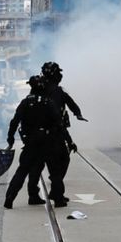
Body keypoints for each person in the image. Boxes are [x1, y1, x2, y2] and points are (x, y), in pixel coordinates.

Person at [4, 75, 69, 209]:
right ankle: (58, 200)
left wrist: (10, 138)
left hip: (30, 143)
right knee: (55, 172)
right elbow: (59, 124)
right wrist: (68, 140)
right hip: (48, 142)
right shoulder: (48, 102)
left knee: (22, 171)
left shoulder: (25, 102)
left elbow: (14, 122)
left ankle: (10, 197)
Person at [27, 62, 83, 202]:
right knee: (61, 161)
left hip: (36, 133)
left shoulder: (37, 88)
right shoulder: (57, 91)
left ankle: (34, 194)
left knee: (36, 164)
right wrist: (77, 114)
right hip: (55, 133)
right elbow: (69, 104)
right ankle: (56, 193)